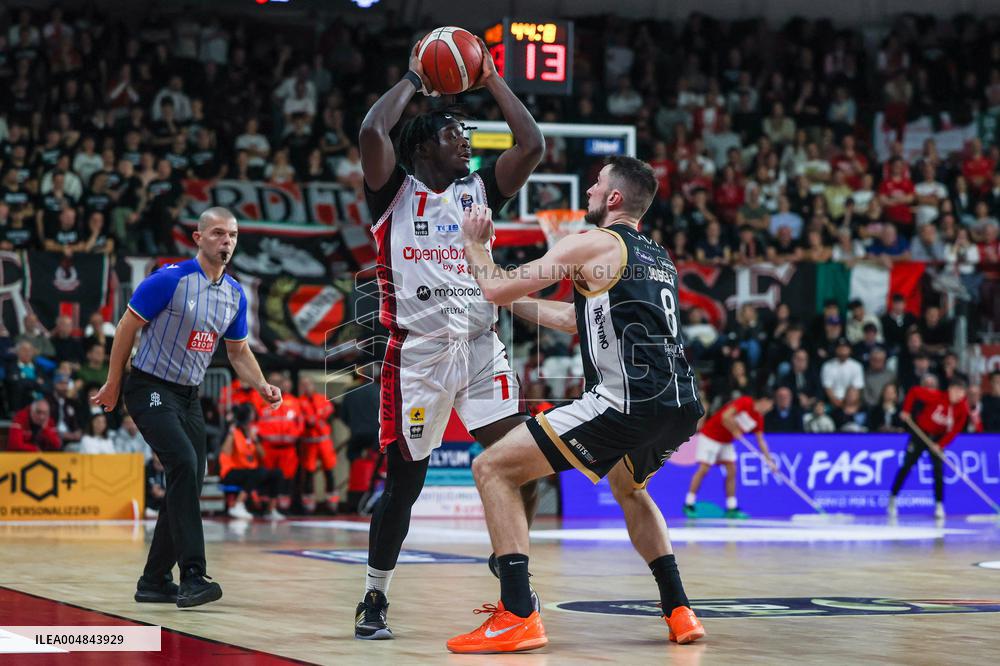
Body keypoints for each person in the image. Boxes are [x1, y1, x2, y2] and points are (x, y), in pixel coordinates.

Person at [447, 157, 706, 653]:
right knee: (629, 488)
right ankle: (679, 609)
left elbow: (498, 283)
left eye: (597, 183)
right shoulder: (656, 256)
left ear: (613, 199)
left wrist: (476, 249)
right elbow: (577, 318)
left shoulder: (590, 242)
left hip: (624, 400)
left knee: (492, 469)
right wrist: (505, 302)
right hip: (679, 403)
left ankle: (518, 615)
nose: (589, 188)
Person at [354, 38, 544, 640]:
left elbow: (532, 145)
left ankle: (508, 571)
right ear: (424, 144)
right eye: (456, 132)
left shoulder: (479, 191)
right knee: (403, 489)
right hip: (417, 356)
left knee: (525, 467)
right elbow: (371, 131)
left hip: (482, 348)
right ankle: (374, 595)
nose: (468, 140)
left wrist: (489, 77)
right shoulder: (394, 193)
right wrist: (414, 77)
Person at [92, 207, 282, 608]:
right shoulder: (170, 280)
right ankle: (193, 575)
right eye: (217, 234)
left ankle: (154, 581)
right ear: (198, 238)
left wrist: (261, 383)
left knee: (189, 481)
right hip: (150, 387)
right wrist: (113, 383)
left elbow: (239, 350)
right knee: (181, 463)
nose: (226, 242)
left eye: (231, 235)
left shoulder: (233, 294)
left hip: (189, 396)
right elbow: (127, 326)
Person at [888, 379, 970, 520]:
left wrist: (941, 444)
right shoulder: (936, 396)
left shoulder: (963, 409)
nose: (958, 396)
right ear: (950, 389)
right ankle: (893, 498)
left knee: (938, 471)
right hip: (921, 434)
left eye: (961, 393)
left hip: (938, 439)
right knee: (907, 466)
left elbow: (955, 430)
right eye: (956, 391)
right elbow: (914, 391)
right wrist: (906, 410)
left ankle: (939, 505)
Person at [684, 394, 776, 519]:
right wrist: (735, 430)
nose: (769, 409)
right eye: (770, 405)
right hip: (710, 436)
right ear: (764, 400)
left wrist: (769, 460)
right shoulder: (746, 402)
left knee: (732, 471)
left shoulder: (758, 419)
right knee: (704, 469)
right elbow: (725, 416)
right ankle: (689, 503)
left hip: (726, 442)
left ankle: (731, 507)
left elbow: (761, 441)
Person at [219, 403, 283, 520]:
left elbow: (263, 455)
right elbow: (225, 452)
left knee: (277, 473)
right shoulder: (233, 432)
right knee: (258, 472)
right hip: (231, 472)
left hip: (250, 472)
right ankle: (238, 505)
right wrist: (231, 434)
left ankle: (271, 510)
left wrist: (255, 440)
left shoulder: (252, 433)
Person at [298, 375, 338, 514]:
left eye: (308, 384)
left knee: (329, 471)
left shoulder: (322, 399)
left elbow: (329, 413)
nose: (306, 387)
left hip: (324, 440)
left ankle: (332, 502)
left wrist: (315, 419)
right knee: (308, 473)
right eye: (303, 385)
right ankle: (309, 504)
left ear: (313, 385)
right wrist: (315, 419)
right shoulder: (299, 402)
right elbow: (305, 420)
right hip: (309, 442)